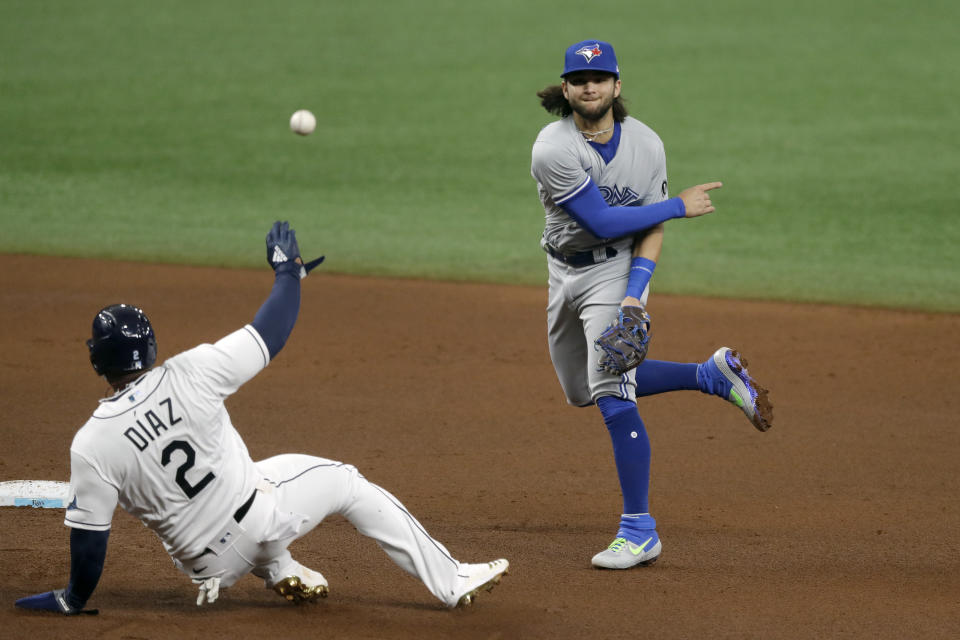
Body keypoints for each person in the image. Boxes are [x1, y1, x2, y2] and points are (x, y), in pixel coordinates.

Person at [14, 221, 508, 614]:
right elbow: (271, 331)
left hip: (205, 568)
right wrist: (288, 272)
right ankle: (451, 579)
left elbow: (89, 544)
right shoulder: (191, 373)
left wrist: (72, 598)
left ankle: (278, 568)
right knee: (346, 482)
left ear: (98, 361)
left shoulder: (91, 443)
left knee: (255, 476)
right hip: (257, 522)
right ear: (151, 349)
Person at [531, 40, 773, 569]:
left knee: (612, 388)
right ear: (566, 89)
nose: (589, 86)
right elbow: (603, 220)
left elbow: (647, 227)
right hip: (563, 270)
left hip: (615, 270)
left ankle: (639, 529)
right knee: (579, 391)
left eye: (599, 78)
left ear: (617, 86)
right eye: (578, 78)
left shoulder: (647, 144)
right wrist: (680, 204)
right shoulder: (553, 148)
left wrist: (635, 296)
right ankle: (710, 375)